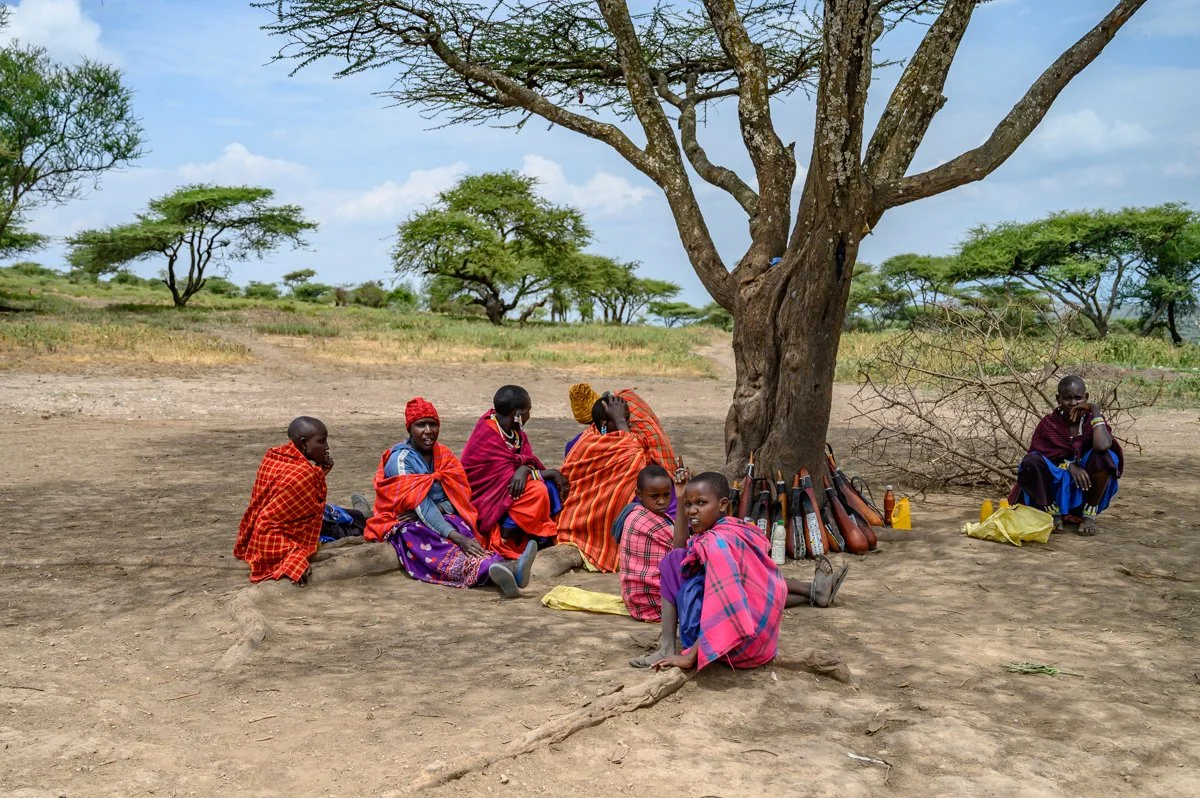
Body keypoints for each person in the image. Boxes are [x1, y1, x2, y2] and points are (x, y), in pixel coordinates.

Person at [635, 472, 848, 670]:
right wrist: (680, 499)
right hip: (757, 640)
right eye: (688, 505)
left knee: (680, 566)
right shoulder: (730, 528)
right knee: (674, 561)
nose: (692, 510)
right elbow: (678, 556)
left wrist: (690, 657)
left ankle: (668, 648)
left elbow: (724, 603)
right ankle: (814, 592)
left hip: (734, 647)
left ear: (723, 505)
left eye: (701, 503)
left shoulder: (717, 543)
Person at [364, 397, 536, 597]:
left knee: (462, 526)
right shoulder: (400, 460)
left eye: (433, 424)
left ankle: (500, 569)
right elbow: (422, 506)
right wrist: (453, 534)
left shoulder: (443, 454)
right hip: (400, 521)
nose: (428, 430)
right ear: (409, 429)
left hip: (435, 515)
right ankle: (499, 570)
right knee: (427, 537)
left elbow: (458, 496)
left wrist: (440, 509)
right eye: (421, 425)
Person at [555, 390, 677, 573]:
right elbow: (634, 458)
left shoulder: (632, 444)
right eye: (624, 419)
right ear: (605, 423)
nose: (629, 424)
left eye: (628, 419)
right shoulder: (587, 444)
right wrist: (621, 424)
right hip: (589, 519)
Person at [461, 385, 569, 559]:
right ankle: (503, 538)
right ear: (517, 413)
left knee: (550, 487)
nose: (529, 416)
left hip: (509, 490)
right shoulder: (487, 433)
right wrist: (530, 471)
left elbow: (521, 466)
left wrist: (524, 469)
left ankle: (542, 537)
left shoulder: (516, 434)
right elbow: (503, 477)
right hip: (486, 498)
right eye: (527, 411)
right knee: (538, 491)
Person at [1010, 375, 1122, 536]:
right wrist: (1069, 466)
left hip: (1086, 485)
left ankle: (1089, 513)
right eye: (1067, 398)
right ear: (1058, 399)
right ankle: (1052, 512)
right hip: (1056, 484)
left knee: (1105, 457)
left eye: (1078, 398)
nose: (1073, 403)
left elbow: (1102, 445)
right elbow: (1040, 458)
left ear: (1086, 398)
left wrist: (1095, 410)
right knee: (1030, 462)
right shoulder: (1049, 424)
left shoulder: (1092, 420)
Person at [235, 416, 334, 585]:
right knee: (354, 522)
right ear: (303, 444)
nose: (326, 447)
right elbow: (265, 525)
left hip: (252, 532)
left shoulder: (275, 456)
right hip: (279, 534)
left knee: (346, 515)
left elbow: (291, 494)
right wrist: (294, 559)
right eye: (321, 442)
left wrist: (320, 472)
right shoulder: (303, 473)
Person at [618, 464, 687, 622]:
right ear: (639, 495)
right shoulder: (643, 521)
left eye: (667, 495)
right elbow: (680, 553)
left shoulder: (649, 515)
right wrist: (682, 500)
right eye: (654, 496)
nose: (662, 501)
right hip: (652, 601)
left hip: (635, 599)